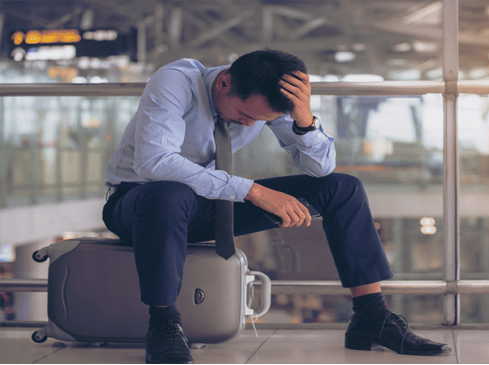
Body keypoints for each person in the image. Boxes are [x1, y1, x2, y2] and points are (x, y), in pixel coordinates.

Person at [102, 49, 451, 364]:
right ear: (224, 83)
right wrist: (252, 190)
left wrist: (304, 120)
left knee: (343, 188)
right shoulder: (176, 82)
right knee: (169, 193)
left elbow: (320, 169)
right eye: (244, 115)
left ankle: (371, 316)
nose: (250, 124)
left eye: (261, 120)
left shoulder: (264, 101)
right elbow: (155, 163)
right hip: (137, 202)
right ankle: (164, 325)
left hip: (207, 203)